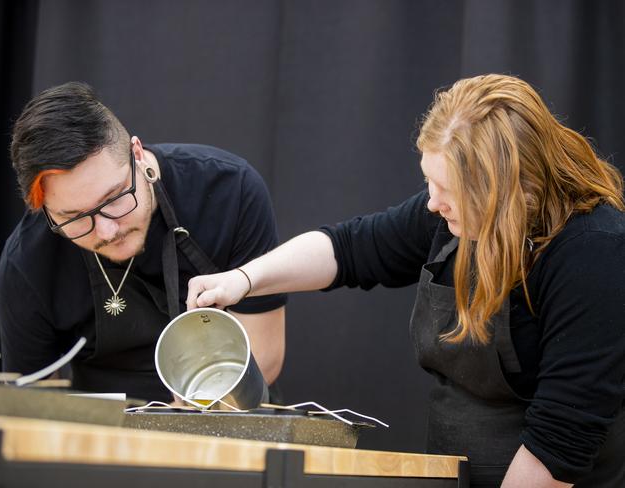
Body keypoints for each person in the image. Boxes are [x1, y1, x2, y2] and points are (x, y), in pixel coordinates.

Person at [186, 74, 625, 487]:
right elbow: (347, 250)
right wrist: (243, 280)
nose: (432, 204)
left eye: (447, 190)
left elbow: (561, 439)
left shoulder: (594, 251)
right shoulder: (449, 218)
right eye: (428, 182)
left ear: (509, 191)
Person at [0, 82, 286, 402]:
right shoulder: (26, 262)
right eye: (75, 217)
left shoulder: (231, 191)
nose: (106, 231)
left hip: (230, 415)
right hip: (103, 438)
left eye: (115, 198)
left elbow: (265, 357)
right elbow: (33, 407)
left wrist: (177, 424)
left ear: (137, 153)